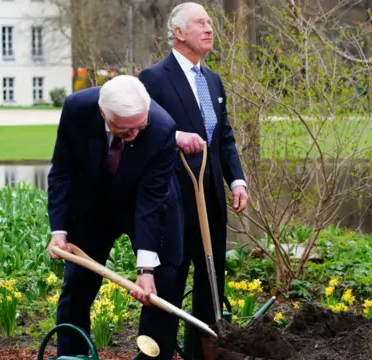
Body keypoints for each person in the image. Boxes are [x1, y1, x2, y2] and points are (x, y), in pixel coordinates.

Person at [46, 75, 184, 359]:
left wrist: (145, 270)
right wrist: (58, 231)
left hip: (147, 204)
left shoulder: (161, 127)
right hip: (93, 205)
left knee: (161, 284)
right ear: (102, 114)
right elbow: (62, 170)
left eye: (139, 127)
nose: (134, 134)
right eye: (125, 130)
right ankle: (72, 356)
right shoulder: (77, 109)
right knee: (76, 287)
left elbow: (151, 202)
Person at [138, 2, 249, 358]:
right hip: (172, 201)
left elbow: (224, 138)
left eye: (211, 22)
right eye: (201, 22)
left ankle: (203, 352)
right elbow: (140, 130)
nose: (209, 28)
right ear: (179, 32)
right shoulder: (153, 79)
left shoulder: (213, 81)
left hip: (211, 200)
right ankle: (156, 352)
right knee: (168, 280)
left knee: (210, 281)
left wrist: (237, 181)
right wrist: (174, 137)